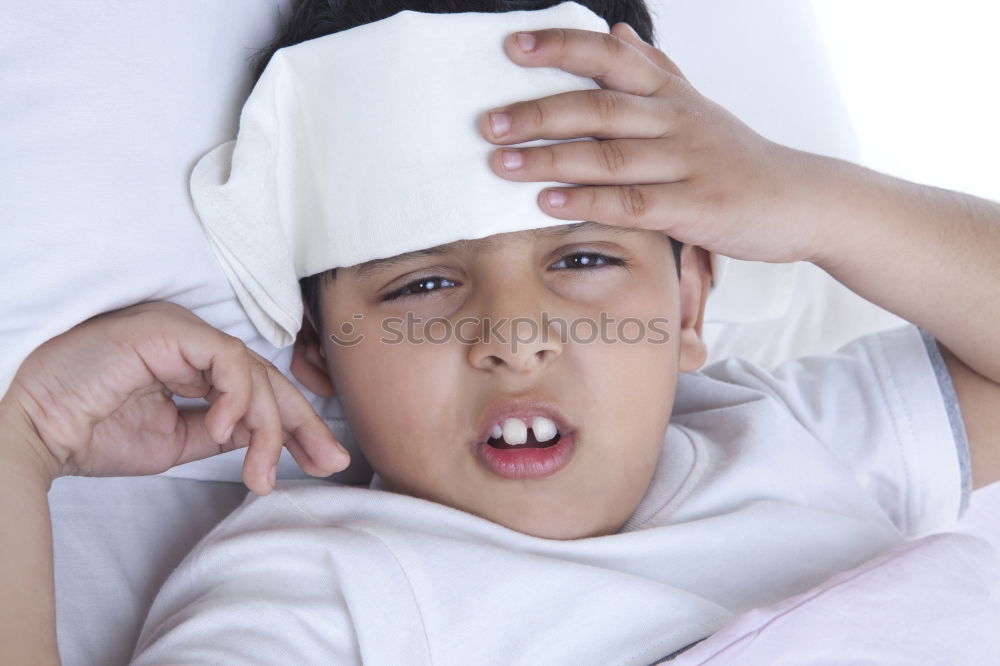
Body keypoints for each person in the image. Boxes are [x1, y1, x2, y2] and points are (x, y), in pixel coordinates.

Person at [2, 0, 998, 663]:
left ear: (691, 300)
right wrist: (20, 447)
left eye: (582, 260)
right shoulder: (318, 585)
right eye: (423, 284)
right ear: (318, 356)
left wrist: (814, 200)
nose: (514, 337)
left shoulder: (793, 435)